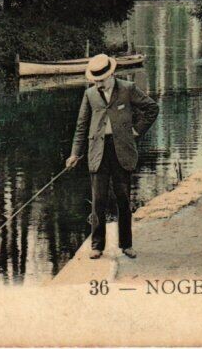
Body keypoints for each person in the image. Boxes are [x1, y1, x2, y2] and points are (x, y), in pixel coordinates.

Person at [66, 54, 159, 259]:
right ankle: (97, 246)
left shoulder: (128, 88)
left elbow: (152, 108)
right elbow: (81, 126)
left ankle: (126, 244)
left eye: (101, 80)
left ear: (111, 74)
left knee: (123, 199)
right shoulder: (90, 94)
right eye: (95, 80)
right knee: (98, 200)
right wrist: (74, 154)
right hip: (97, 152)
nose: (98, 84)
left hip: (122, 151)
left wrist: (137, 130)